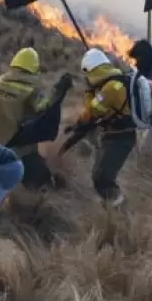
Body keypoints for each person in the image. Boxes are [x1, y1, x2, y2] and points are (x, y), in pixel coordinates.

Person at [56, 48, 137, 207]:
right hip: (116, 135)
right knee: (100, 174)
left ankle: (120, 209)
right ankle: (111, 206)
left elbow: (92, 113)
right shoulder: (114, 81)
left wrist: (89, 93)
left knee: (102, 178)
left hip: (120, 138)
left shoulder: (110, 88)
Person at [0, 47, 72, 189]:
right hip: (15, 147)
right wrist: (59, 90)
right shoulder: (30, 91)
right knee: (40, 180)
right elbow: (44, 108)